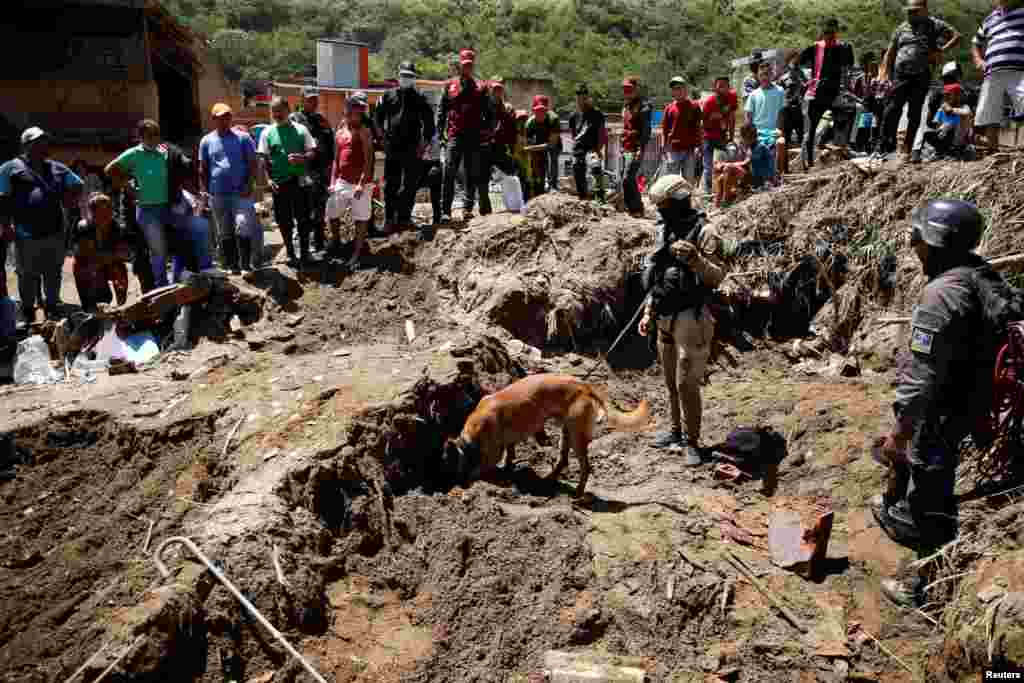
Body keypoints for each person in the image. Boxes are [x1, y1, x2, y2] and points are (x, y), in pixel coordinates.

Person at [870, 199, 992, 606]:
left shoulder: (941, 294)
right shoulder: (985, 278)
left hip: (944, 412)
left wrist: (899, 436)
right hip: (978, 407)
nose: (913, 246)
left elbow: (922, 377)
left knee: (931, 496)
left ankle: (923, 586)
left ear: (935, 242)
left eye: (917, 238)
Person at [638, 174, 726, 464]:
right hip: (665, 315)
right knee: (670, 382)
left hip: (693, 316)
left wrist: (695, 260)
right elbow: (659, 276)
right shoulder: (664, 230)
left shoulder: (706, 232)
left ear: (678, 201)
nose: (660, 212)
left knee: (687, 383)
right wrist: (649, 311)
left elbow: (717, 276)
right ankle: (675, 431)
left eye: (664, 206)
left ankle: (692, 440)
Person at [106, 119, 212, 287]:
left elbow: (179, 171)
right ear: (141, 137)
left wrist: (197, 194)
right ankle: (162, 285)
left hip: (168, 207)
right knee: (158, 250)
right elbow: (110, 170)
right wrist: (129, 187)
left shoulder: (164, 152)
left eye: (157, 134)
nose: (155, 138)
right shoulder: (134, 154)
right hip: (148, 210)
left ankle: (193, 272)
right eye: (151, 135)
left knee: (191, 233)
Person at [0, 127, 83, 326]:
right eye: (39, 142)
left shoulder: (57, 168)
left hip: (54, 230)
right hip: (24, 231)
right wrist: (5, 225)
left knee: (53, 271)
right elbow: (2, 198)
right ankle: (28, 310)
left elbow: (78, 184)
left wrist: (70, 199)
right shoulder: (10, 168)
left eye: (46, 142)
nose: (45, 145)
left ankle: (52, 307)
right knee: (26, 273)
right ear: (27, 145)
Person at [878, 0, 961, 162]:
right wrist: (883, 73)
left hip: (921, 75)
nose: (911, 14)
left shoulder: (935, 24)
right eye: (909, 11)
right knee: (891, 110)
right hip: (900, 75)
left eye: (915, 11)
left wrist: (940, 51)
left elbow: (957, 36)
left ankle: (907, 150)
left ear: (924, 9)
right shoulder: (901, 28)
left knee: (914, 113)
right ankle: (884, 147)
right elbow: (890, 52)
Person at [376, 62, 436, 232]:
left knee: (410, 185)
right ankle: (389, 220)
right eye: (404, 75)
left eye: (410, 76)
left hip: (412, 148)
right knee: (390, 185)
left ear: (414, 78)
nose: (406, 79)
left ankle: (404, 218)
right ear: (399, 75)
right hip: (392, 147)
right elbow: (377, 118)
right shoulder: (388, 95)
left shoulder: (420, 99)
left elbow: (430, 125)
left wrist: (423, 145)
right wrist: (381, 138)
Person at [257, 97, 317, 264]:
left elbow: (312, 151)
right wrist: (268, 180)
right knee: (284, 220)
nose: (276, 114)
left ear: (287, 110)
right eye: (273, 111)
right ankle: (290, 252)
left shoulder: (301, 129)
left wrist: (302, 158)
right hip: (279, 183)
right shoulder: (267, 132)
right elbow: (263, 159)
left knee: (303, 218)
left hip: (300, 181)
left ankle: (305, 253)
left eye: (279, 110)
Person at [199, 103, 257, 274]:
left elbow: (253, 164)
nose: (225, 120)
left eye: (228, 116)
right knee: (224, 231)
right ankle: (233, 266)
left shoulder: (243, 138)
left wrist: (249, 184)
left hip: (240, 192)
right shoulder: (207, 140)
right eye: (221, 117)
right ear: (214, 119)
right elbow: (202, 167)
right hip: (217, 193)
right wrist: (204, 192)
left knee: (243, 225)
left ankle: (246, 264)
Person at [437, 48, 494, 222]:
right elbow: (442, 109)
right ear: (460, 65)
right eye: (464, 65)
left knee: (471, 174)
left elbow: (489, 113)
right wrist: (441, 133)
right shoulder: (450, 85)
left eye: (470, 65)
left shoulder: (481, 86)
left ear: (473, 65)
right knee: (449, 172)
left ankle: (467, 208)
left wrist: (486, 133)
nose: (467, 68)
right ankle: (445, 211)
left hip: (474, 137)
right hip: (454, 135)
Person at [326, 93, 375, 271]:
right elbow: (335, 159)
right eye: (357, 110)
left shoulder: (364, 131)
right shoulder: (340, 131)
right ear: (348, 109)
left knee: (361, 218)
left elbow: (368, 159)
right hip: (341, 181)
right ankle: (336, 242)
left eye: (361, 111)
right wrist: (332, 181)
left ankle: (357, 252)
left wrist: (362, 183)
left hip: (360, 182)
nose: (360, 113)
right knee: (332, 211)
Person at [799, 17, 856, 168]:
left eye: (832, 32)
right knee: (810, 131)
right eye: (826, 32)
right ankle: (808, 163)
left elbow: (849, 69)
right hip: (818, 94)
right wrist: (805, 82)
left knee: (846, 119)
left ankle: (840, 157)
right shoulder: (815, 48)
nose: (829, 35)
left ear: (837, 32)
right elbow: (796, 65)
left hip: (837, 93)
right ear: (822, 33)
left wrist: (847, 86)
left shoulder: (845, 47)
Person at [972, 0, 1024, 152]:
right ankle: (992, 153)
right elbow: (976, 42)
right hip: (992, 72)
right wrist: (978, 60)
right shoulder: (989, 19)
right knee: (989, 112)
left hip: (1019, 70)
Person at [290, 87, 336, 253]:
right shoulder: (294, 119)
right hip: (302, 173)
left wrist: (330, 168)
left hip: (321, 173)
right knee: (303, 211)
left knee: (319, 210)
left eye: (315, 99)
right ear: (301, 99)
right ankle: (302, 246)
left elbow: (331, 145)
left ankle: (319, 243)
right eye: (310, 99)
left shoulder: (321, 119)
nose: (313, 102)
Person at [71, 193, 131, 312]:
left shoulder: (116, 227)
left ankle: (121, 307)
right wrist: (109, 256)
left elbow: (124, 254)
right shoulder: (83, 227)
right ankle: (89, 305)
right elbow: (87, 255)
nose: (107, 215)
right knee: (84, 268)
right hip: (89, 264)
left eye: (109, 210)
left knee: (120, 270)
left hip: (106, 262)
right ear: (92, 213)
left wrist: (111, 258)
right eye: (102, 212)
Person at [744, 61, 787, 181]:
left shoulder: (779, 91)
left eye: (767, 74)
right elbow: (748, 116)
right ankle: (758, 179)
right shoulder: (753, 94)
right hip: (758, 132)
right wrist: (750, 135)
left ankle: (778, 176)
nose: (765, 77)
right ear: (758, 76)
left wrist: (780, 129)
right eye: (762, 74)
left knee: (781, 142)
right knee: (755, 151)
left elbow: (781, 113)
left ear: (772, 75)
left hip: (774, 130)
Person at [569, 84, 607, 201]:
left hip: (593, 147)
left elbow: (601, 133)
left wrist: (599, 149)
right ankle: (583, 197)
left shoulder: (596, 113)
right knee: (577, 169)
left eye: (584, 97)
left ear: (588, 97)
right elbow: (574, 135)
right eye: (579, 97)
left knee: (596, 168)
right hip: (579, 148)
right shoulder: (573, 116)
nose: (582, 100)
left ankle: (600, 198)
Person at [700, 77, 738, 196]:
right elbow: (701, 124)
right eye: (720, 86)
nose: (723, 88)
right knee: (707, 166)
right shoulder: (709, 102)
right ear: (715, 88)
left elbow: (732, 118)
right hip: (708, 136)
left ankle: (731, 185)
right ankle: (708, 192)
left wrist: (731, 138)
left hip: (722, 137)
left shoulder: (732, 97)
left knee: (732, 153)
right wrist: (713, 119)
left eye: (725, 85)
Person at [622, 77, 653, 217]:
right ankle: (632, 208)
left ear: (636, 89)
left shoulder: (644, 107)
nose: (627, 91)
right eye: (625, 89)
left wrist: (641, 148)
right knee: (626, 179)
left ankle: (637, 208)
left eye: (630, 88)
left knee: (628, 178)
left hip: (636, 147)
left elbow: (646, 131)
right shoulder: (626, 106)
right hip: (626, 146)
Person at [662, 77, 702, 181]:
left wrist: (699, 146)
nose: (677, 91)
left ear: (685, 89)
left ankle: (687, 198)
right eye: (674, 89)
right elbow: (665, 130)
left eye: (679, 88)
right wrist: (664, 147)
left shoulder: (695, 106)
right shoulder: (669, 108)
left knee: (688, 179)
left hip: (689, 149)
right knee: (671, 180)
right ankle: (672, 198)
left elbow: (699, 127)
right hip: (673, 149)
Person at [778, 50, 808, 173]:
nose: (797, 61)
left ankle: (805, 166)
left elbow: (807, 88)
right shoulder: (783, 75)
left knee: (803, 139)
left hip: (799, 110)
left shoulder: (802, 74)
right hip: (786, 110)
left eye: (798, 58)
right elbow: (780, 92)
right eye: (794, 58)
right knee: (785, 139)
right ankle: (784, 169)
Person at [923, 84, 973, 158]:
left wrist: (951, 110)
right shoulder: (942, 109)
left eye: (949, 95)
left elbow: (966, 113)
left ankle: (955, 148)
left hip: (959, 138)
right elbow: (937, 125)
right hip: (945, 135)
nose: (946, 97)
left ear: (958, 96)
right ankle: (942, 150)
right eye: (945, 95)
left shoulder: (964, 107)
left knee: (950, 124)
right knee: (927, 134)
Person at [525, 95, 561, 199]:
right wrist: (531, 149)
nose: (540, 113)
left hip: (553, 145)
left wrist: (530, 148)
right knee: (537, 162)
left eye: (543, 110)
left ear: (547, 110)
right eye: (537, 110)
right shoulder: (530, 123)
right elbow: (528, 143)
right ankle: (538, 186)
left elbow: (552, 144)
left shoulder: (554, 119)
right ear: (533, 111)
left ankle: (553, 185)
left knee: (552, 158)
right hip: (538, 144)